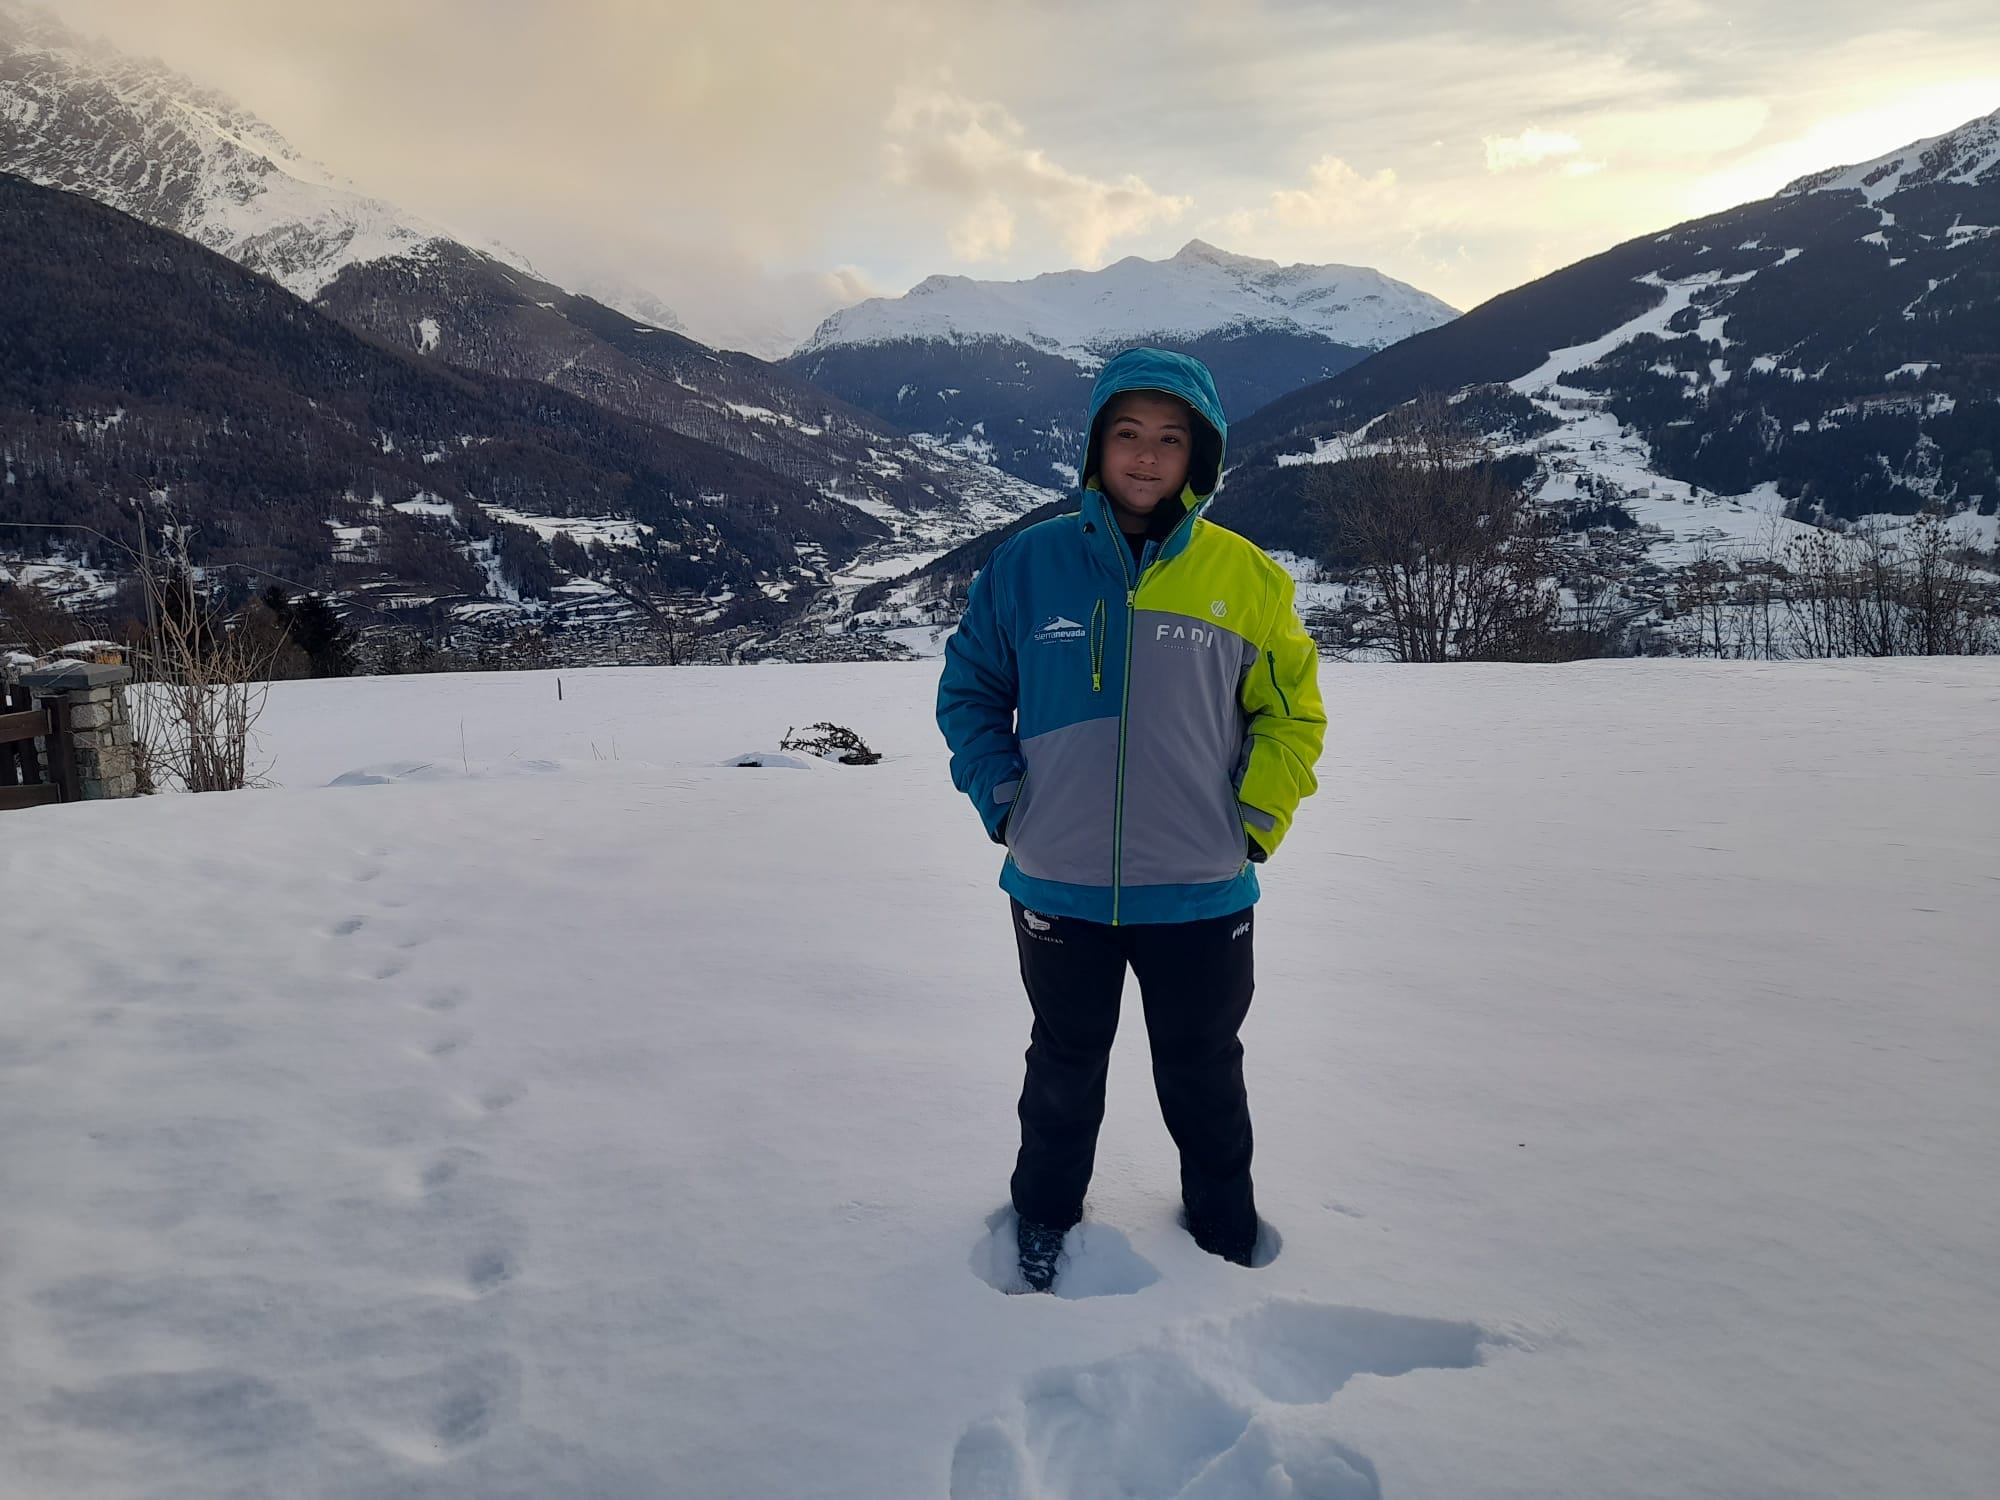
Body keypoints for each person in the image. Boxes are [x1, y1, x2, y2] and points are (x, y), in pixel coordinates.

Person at [936, 347, 1326, 1292]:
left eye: (1170, 439)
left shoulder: (1246, 577)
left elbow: (1292, 715)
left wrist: (1252, 819)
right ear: (1096, 445)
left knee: (1204, 1073)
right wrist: (1007, 802)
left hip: (1199, 886)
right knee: (1062, 1069)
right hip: (1058, 881)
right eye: (1127, 434)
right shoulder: (1028, 566)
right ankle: (1043, 1217)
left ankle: (1224, 1231)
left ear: (1199, 455)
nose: (1147, 456)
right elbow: (971, 693)